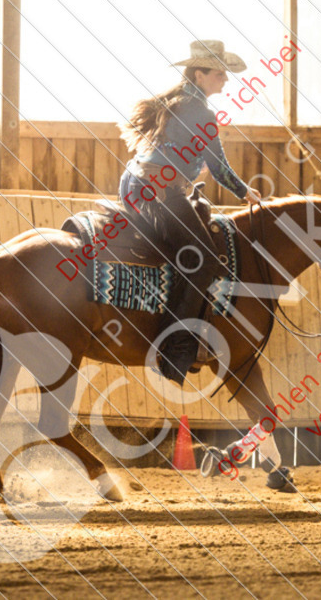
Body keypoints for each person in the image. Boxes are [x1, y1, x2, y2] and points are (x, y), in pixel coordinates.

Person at [118, 40, 262, 383]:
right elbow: (218, 166)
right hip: (158, 192)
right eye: (219, 73)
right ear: (200, 74)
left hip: (137, 183)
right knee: (203, 258)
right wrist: (246, 192)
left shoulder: (179, 101)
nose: (225, 80)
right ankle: (174, 348)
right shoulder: (199, 111)